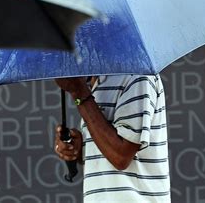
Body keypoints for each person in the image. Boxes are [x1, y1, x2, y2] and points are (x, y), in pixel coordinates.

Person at [54, 74, 170, 202]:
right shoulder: (94, 81)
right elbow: (108, 151)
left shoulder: (137, 76)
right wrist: (79, 147)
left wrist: (79, 92)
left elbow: (121, 157)